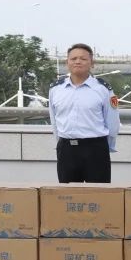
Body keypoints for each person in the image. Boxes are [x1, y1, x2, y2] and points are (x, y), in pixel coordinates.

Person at [49, 43, 117, 183]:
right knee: (68, 194)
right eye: (73, 59)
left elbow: (112, 123)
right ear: (67, 62)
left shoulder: (103, 89)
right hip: (66, 150)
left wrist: (105, 147)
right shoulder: (56, 89)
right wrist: (61, 143)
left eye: (83, 59)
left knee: (99, 193)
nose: (78, 62)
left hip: (95, 149)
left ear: (92, 63)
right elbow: (54, 121)